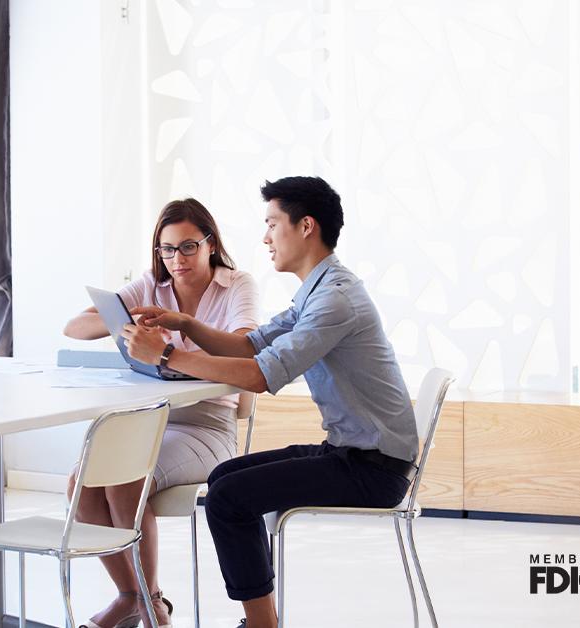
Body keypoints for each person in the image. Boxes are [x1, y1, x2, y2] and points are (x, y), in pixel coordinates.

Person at [122, 177, 418, 628]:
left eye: (272, 224)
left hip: (373, 468)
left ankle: (262, 624)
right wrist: (187, 323)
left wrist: (166, 354)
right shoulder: (319, 290)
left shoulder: (334, 300)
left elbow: (260, 375)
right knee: (225, 477)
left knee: (228, 500)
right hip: (353, 451)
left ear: (305, 227)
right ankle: (263, 619)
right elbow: (252, 344)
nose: (264, 237)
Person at [64, 197, 259, 628]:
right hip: (153, 420)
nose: (177, 259)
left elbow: (246, 342)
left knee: (124, 476)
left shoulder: (237, 284)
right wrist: (126, 318)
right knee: (82, 482)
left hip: (207, 425)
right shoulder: (153, 285)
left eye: (188, 247)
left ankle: (150, 605)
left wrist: (175, 335)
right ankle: (131, 596)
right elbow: (74, 327)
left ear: (210, 244)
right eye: (167, 250)